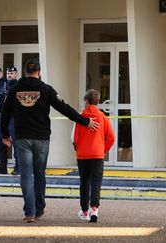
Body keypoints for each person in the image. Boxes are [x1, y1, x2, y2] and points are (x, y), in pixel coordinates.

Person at [0, 58, 99, 223]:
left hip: (22, 138)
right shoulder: (46, 89)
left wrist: (4, 134)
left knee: (26, 174)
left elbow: (5, 113)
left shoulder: (15, 89)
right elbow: (64, 108)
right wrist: (85, 121)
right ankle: (39, 209)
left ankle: (29, 211)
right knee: (39, 173)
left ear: (24, 72)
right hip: (41, 138)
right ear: (39, 72)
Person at [72, 89, 115, 223]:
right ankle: (94, 209)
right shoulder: (103, 118)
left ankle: (85, 211)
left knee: (84, 183)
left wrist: (78, 149)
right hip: (97, 155)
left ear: (86, 101)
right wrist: (103, 150)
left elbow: (74, 138)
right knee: (96, 182)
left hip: (83, 155)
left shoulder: (81, 117)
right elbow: (111, 138)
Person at [6, 65, 19, 175]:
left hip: (16, 118)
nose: (9, 75)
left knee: (17, 143)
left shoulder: (18, 86)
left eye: (12, 73)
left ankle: (18, 166)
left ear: (16, 74)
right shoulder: (5, 86)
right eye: (8, 73)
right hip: (8, 117)